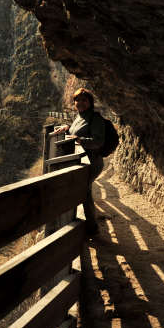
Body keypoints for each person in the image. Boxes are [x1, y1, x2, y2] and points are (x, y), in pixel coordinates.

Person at [51, 88, 105, 235]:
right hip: (81, 163)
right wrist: (67, 128)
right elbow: (77, 130)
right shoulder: (79, 116)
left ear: (90, 102)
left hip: (92, 163)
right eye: (77, 100)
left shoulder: (95, 118)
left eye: (83, 100)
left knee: (83, 191)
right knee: (83, 191)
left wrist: (80, 140)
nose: (80, 103)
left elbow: (98, 141)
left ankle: (91, 228)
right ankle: (88, 226)